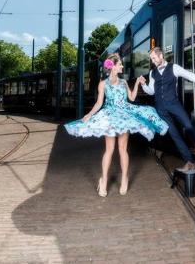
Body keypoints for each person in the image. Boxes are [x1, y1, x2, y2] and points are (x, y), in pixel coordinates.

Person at [65, 53, 168, 197]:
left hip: (124, 116)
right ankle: (104, 181)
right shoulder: (103, 84)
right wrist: (89, 115)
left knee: (122, 149)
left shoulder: (124, 82)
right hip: (109, 117)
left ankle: (124, 178)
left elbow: (131, 98)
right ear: (112, 67)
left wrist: (138, 83)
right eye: (119, 64)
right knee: (109, 150)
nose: (122, 66)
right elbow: (99, 103)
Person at [139, 46, 195, 172]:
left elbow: (192, 77)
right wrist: (143, 84)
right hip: (161, 109)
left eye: (154, 58)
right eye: (151, 59)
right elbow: (151, 91)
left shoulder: (174, 68)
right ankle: (190, 161)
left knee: (188, 125)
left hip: (174, 104)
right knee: (175, 135)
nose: (152, 61)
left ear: (161, 56)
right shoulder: (152, 73)